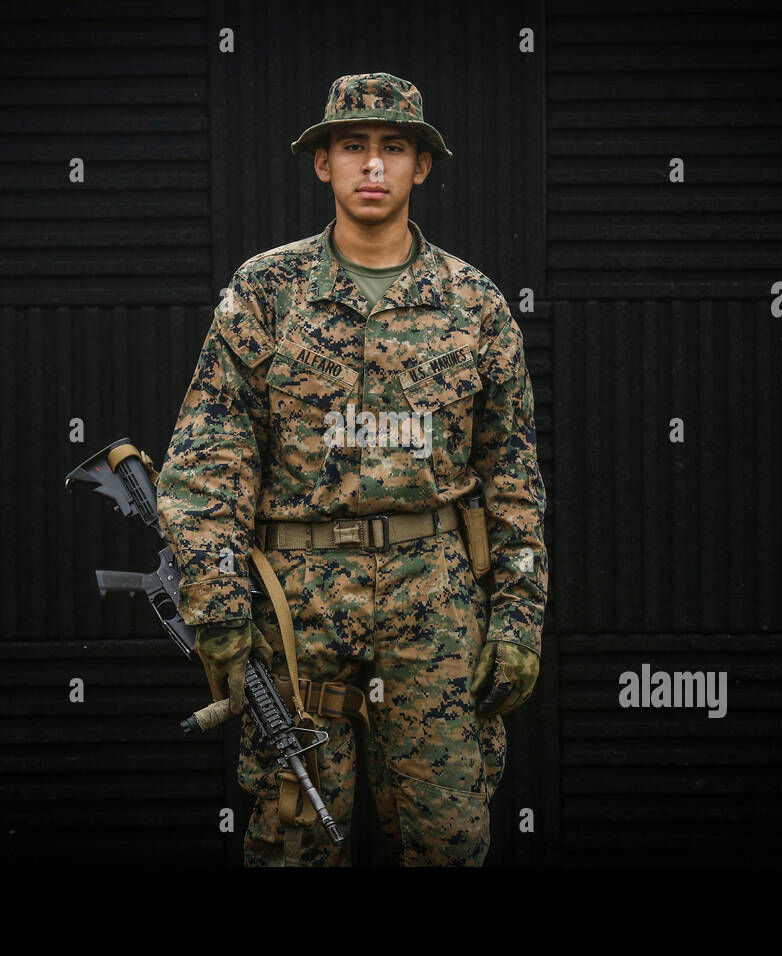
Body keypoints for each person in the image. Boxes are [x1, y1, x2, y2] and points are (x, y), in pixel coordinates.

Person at [153, 72, 548, 866]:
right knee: (294, 835)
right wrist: (220, 612)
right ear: (322, 164)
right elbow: (207, 463)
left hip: (435, 597)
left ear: (421, 167)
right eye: (354, 148)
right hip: (297, 601)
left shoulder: (473, 304)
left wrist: (518, 618)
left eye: (393, 149)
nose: (373, 166)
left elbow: (512, 477)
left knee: (448, 837)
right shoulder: (266, 293)